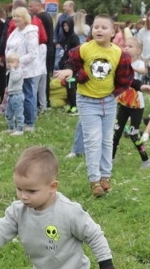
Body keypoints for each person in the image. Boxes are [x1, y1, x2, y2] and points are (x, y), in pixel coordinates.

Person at [53, 14, 140, 197]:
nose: (99, 30)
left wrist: (134, 89)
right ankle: (94, 181)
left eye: (103, 27)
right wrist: (69, 70)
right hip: (87, 102)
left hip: (108, 102)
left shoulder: (118, 53)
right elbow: (71, 62)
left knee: (107, 140)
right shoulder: (84, 49)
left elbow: (125, 77)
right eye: (96, 27)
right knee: (93, 141)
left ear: (113, 31)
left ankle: (105, 177)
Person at [112, 37, 150, 168]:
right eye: (125, 46)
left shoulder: (139, 64)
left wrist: (130, 67)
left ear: (139, 50)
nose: (126, 48)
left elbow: (143, 71)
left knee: (134, 134)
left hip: (136, 105)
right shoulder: (122, 62)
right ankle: (110, 160)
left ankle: (145, 159)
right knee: (116, 133)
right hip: (123, 103)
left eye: (131, 46)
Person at [5, 7, 42, 133]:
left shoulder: (30, 32)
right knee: (16, 95)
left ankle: (29, 123)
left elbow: (32, 54)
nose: (15, 18)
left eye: (18, 16)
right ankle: (18, 121)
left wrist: (17, 61)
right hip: (14, 69)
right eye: (14, 16)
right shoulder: (16, 31)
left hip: (25, 70)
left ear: (25, 18)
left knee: (27, 95)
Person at [3, 53, 26, 135]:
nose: (10, 64)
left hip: (17, 95)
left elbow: (15, 79)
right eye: (8, 62)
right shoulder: (11, 71)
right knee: (9, 113)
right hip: (11, 95)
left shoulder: (19, 71)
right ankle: (11, 127)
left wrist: (12, 70)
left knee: (18, 113)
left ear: (17, 62)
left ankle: (20, 129)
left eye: (12, 62)